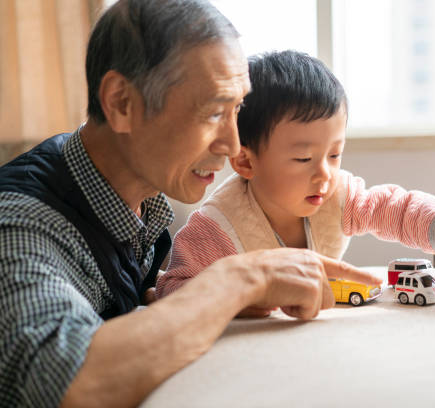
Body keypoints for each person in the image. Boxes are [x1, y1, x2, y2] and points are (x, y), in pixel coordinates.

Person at [0, 2, 382, 407]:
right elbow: (73, 385)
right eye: (214, 112)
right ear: (121, 103)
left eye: (236, 110)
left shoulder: (138, 200)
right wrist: (240, 279)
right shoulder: (21, 224)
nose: (233, 145)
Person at [156, 50, 435, 316]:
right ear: (246, 161)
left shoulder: (339, 196)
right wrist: (250, 299)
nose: (324, 174)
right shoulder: (215, 228)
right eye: (303, 159)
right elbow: (172, 293)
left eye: (334, 155)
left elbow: (402, 209)